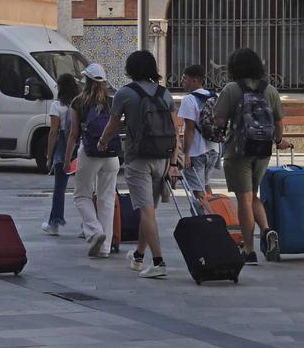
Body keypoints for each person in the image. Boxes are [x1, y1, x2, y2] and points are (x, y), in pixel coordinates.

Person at [98, 50, 175, 278]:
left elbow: (112, 124)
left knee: (146, 212)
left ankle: (159, 262)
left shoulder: (125, 93)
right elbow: (174, 130)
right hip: (162, 158)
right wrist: (174, 162)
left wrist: (102, 142)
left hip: (138, 158)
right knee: (148, 212)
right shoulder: (165, 93)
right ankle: (139, 256)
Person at [211, 47, 284, 265]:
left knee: (244, 199)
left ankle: (249, 251)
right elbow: (279, 123)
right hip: (263, 151)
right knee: (253, 195)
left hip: (238, 151)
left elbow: (219, 120)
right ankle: (267, 230)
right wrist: (278, 142)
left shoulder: (232, 89)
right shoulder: (269, 89)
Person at [67, 63, 120, 256]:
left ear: (85, 80)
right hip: (111, 155)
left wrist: (66, 160)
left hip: (90, 153)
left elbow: (73, 134)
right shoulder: (112, 101)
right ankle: (105, 249)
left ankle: (95, 231)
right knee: (106, 199)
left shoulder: (78, 102)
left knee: (81, 195)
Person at [42, 72, 80, 237]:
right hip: (80, 148)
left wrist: (49, 156)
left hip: (62, 148)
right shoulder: (80, 103)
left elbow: (53, 132)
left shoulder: (56, 106)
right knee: (86, 189)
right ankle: (88, 226)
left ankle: (55, 223)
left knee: (59, 188)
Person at [177, 64, 216, 213]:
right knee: (206, 186)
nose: (182, 82)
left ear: (195, 80)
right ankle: (217, 213)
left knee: (198, 192)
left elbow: (189, 129)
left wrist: (185, 154)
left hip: (196, 152)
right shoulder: (213, 96)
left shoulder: (189, 99)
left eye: (184, 78)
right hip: (214, 149)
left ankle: (209, 220)